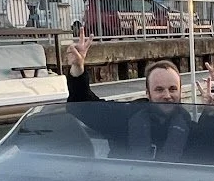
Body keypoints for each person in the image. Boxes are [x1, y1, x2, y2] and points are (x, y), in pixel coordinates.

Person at [62, 38, 191, 160]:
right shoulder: (125, 117)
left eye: (173, 89)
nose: (167, 95)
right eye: (159, 89)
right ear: (147, 93)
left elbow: (208, 145)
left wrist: (210, 114)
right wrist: (78, 71)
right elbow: (83, 105)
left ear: (181, 91)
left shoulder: (190, 127)